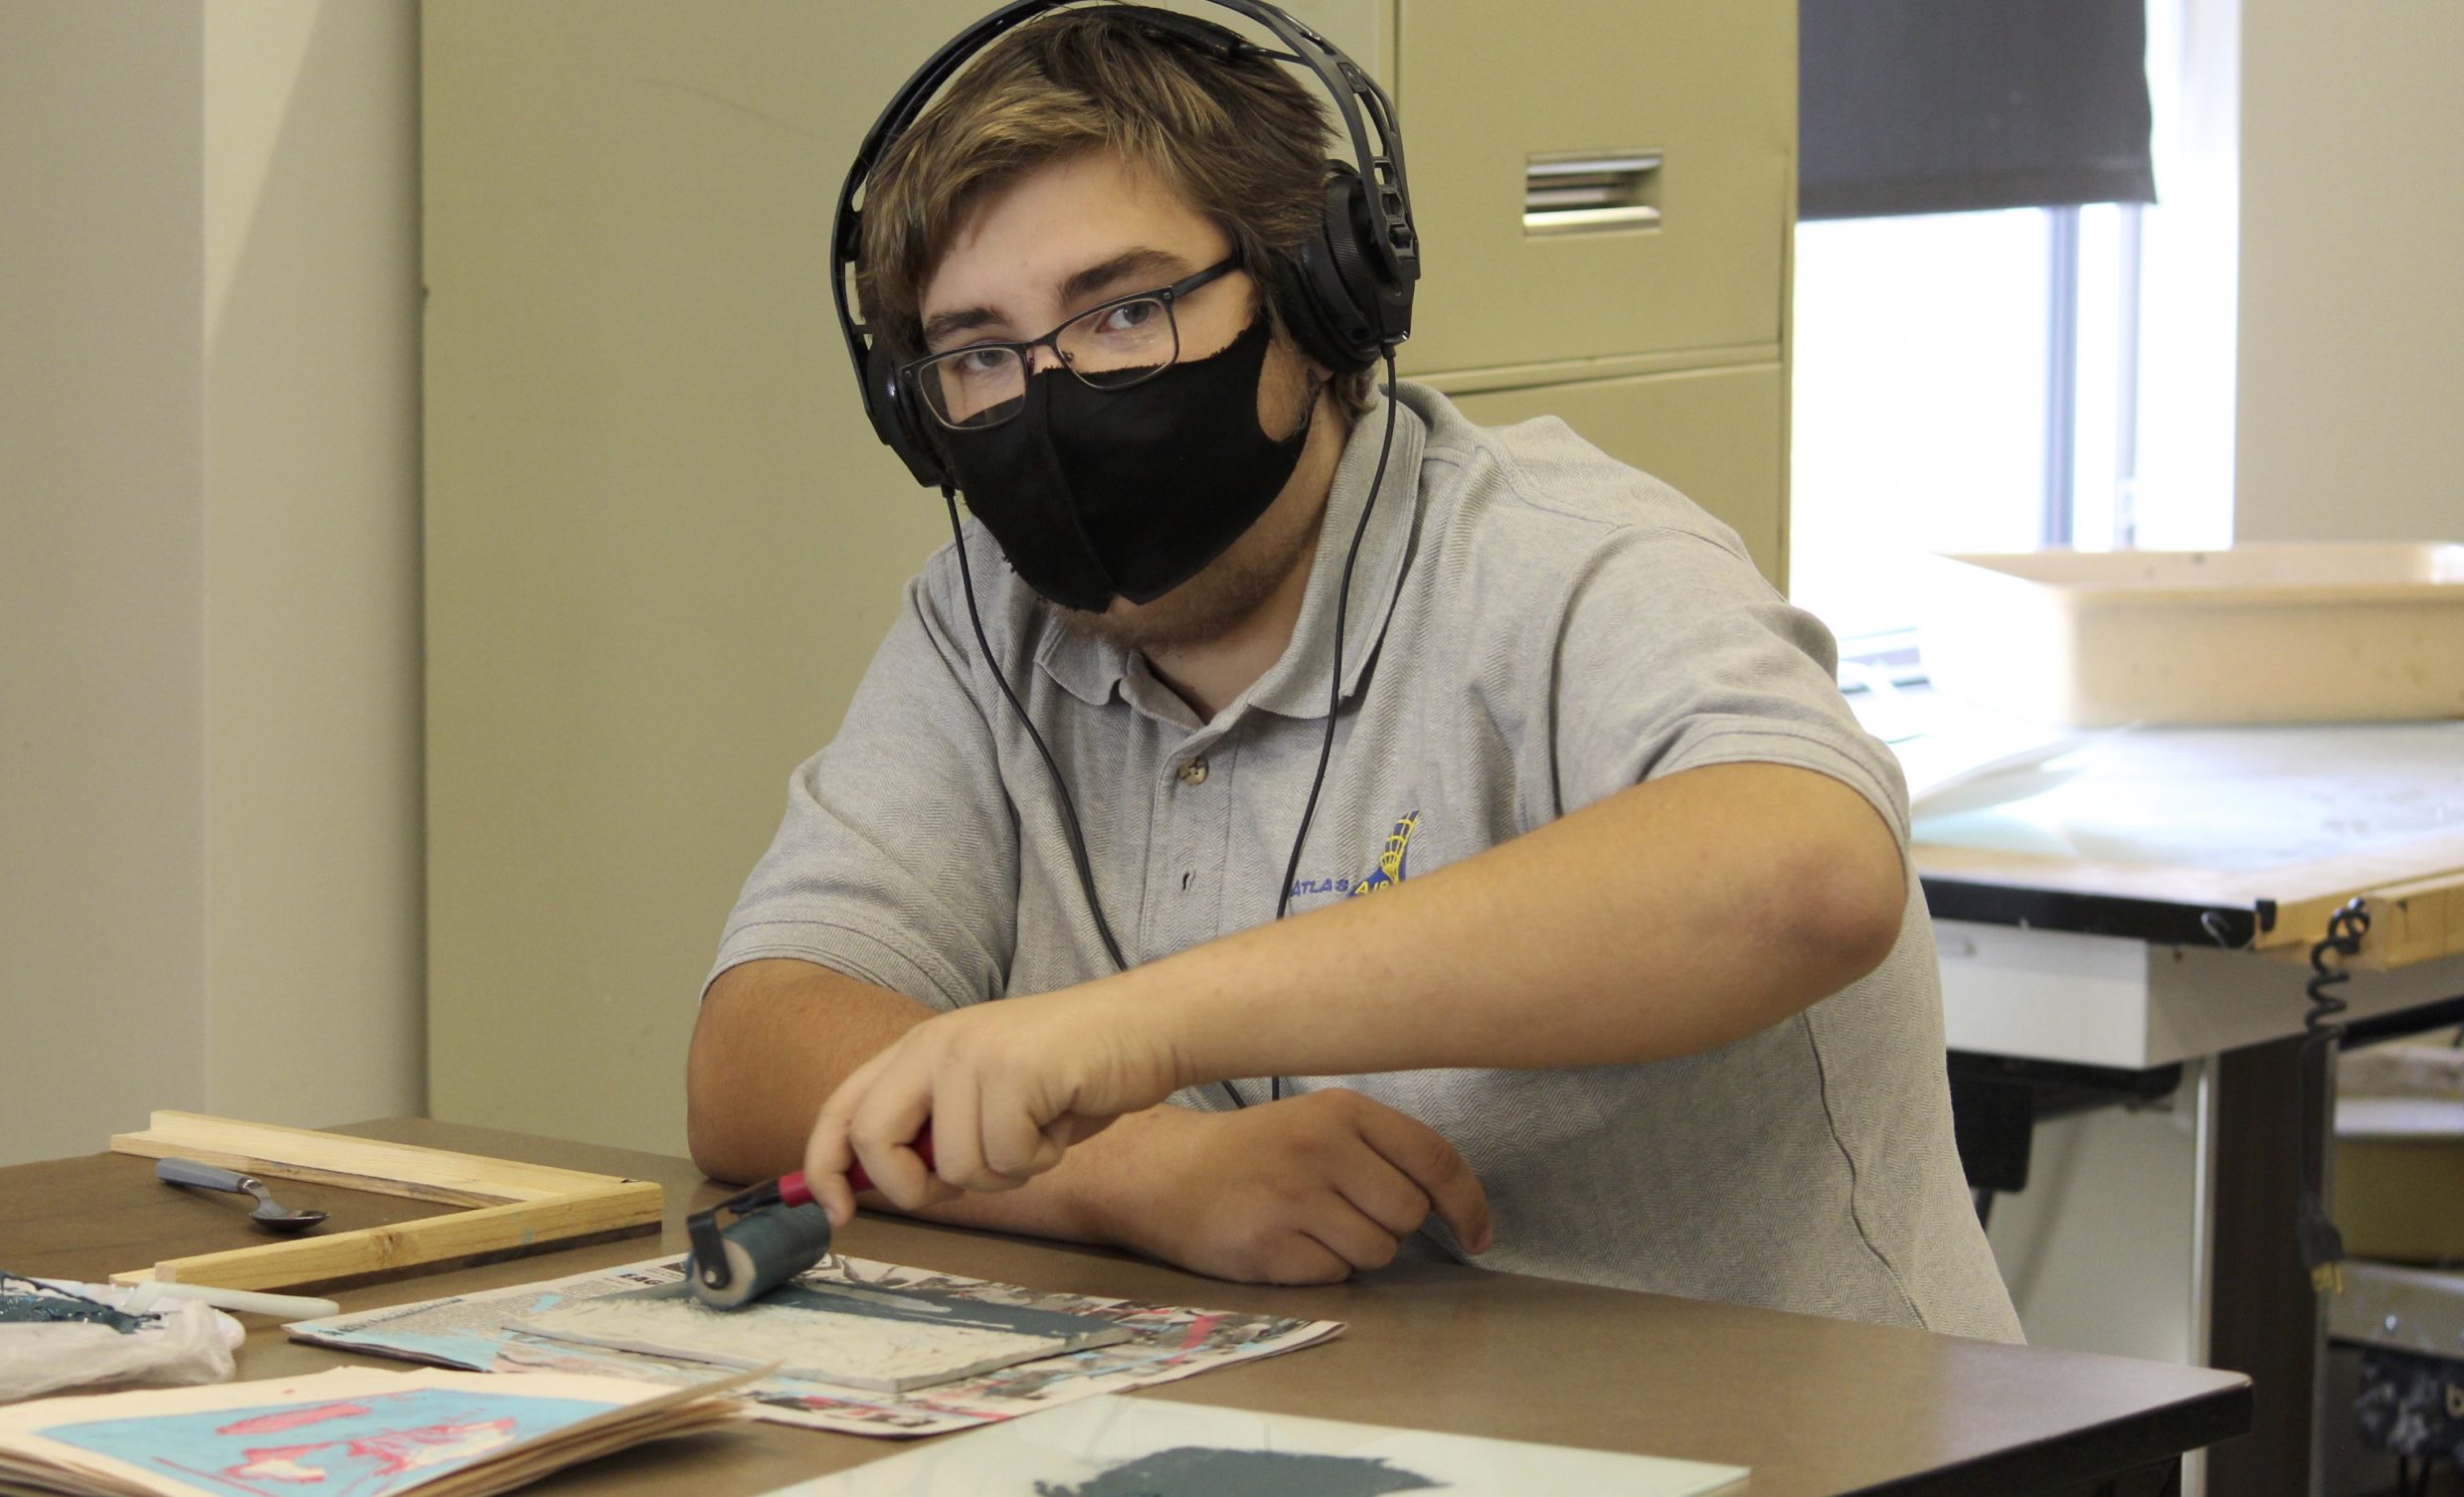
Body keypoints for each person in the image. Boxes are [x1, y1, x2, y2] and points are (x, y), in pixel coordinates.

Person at [687, 2, 2021, 1342]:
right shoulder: (990, 618)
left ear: (1318, 298)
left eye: (1124, 310)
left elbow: (1811, 877)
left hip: (1812, 1447)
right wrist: (1145, 1172)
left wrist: (1135, 1033)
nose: (1052, 395)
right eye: (980, 353)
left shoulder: (1557, 559)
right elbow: (758, 1049)